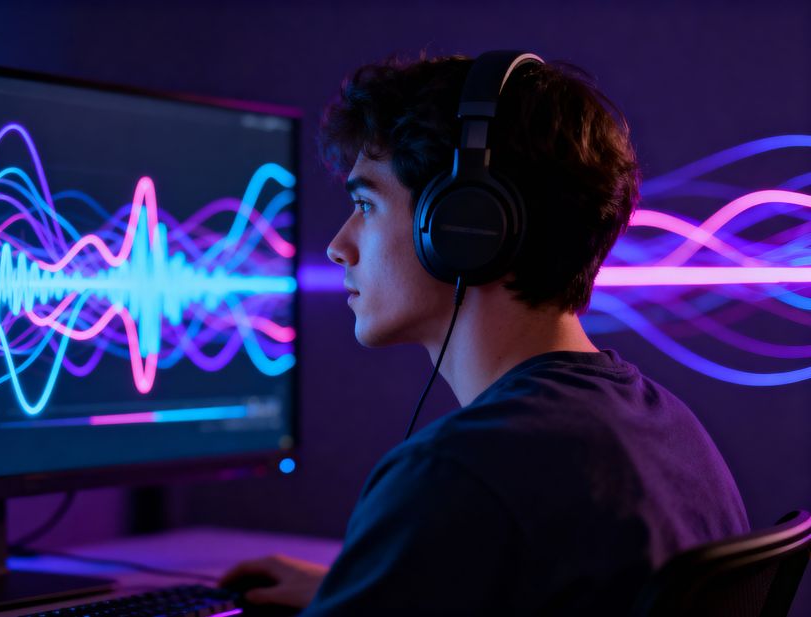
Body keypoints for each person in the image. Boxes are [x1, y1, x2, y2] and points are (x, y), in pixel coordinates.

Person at [219, 52, 750, 615]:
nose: (338, 246)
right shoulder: (668, 429)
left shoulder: (459, 473)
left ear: (463, 225)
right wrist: (375, 584)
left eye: (365, 204)